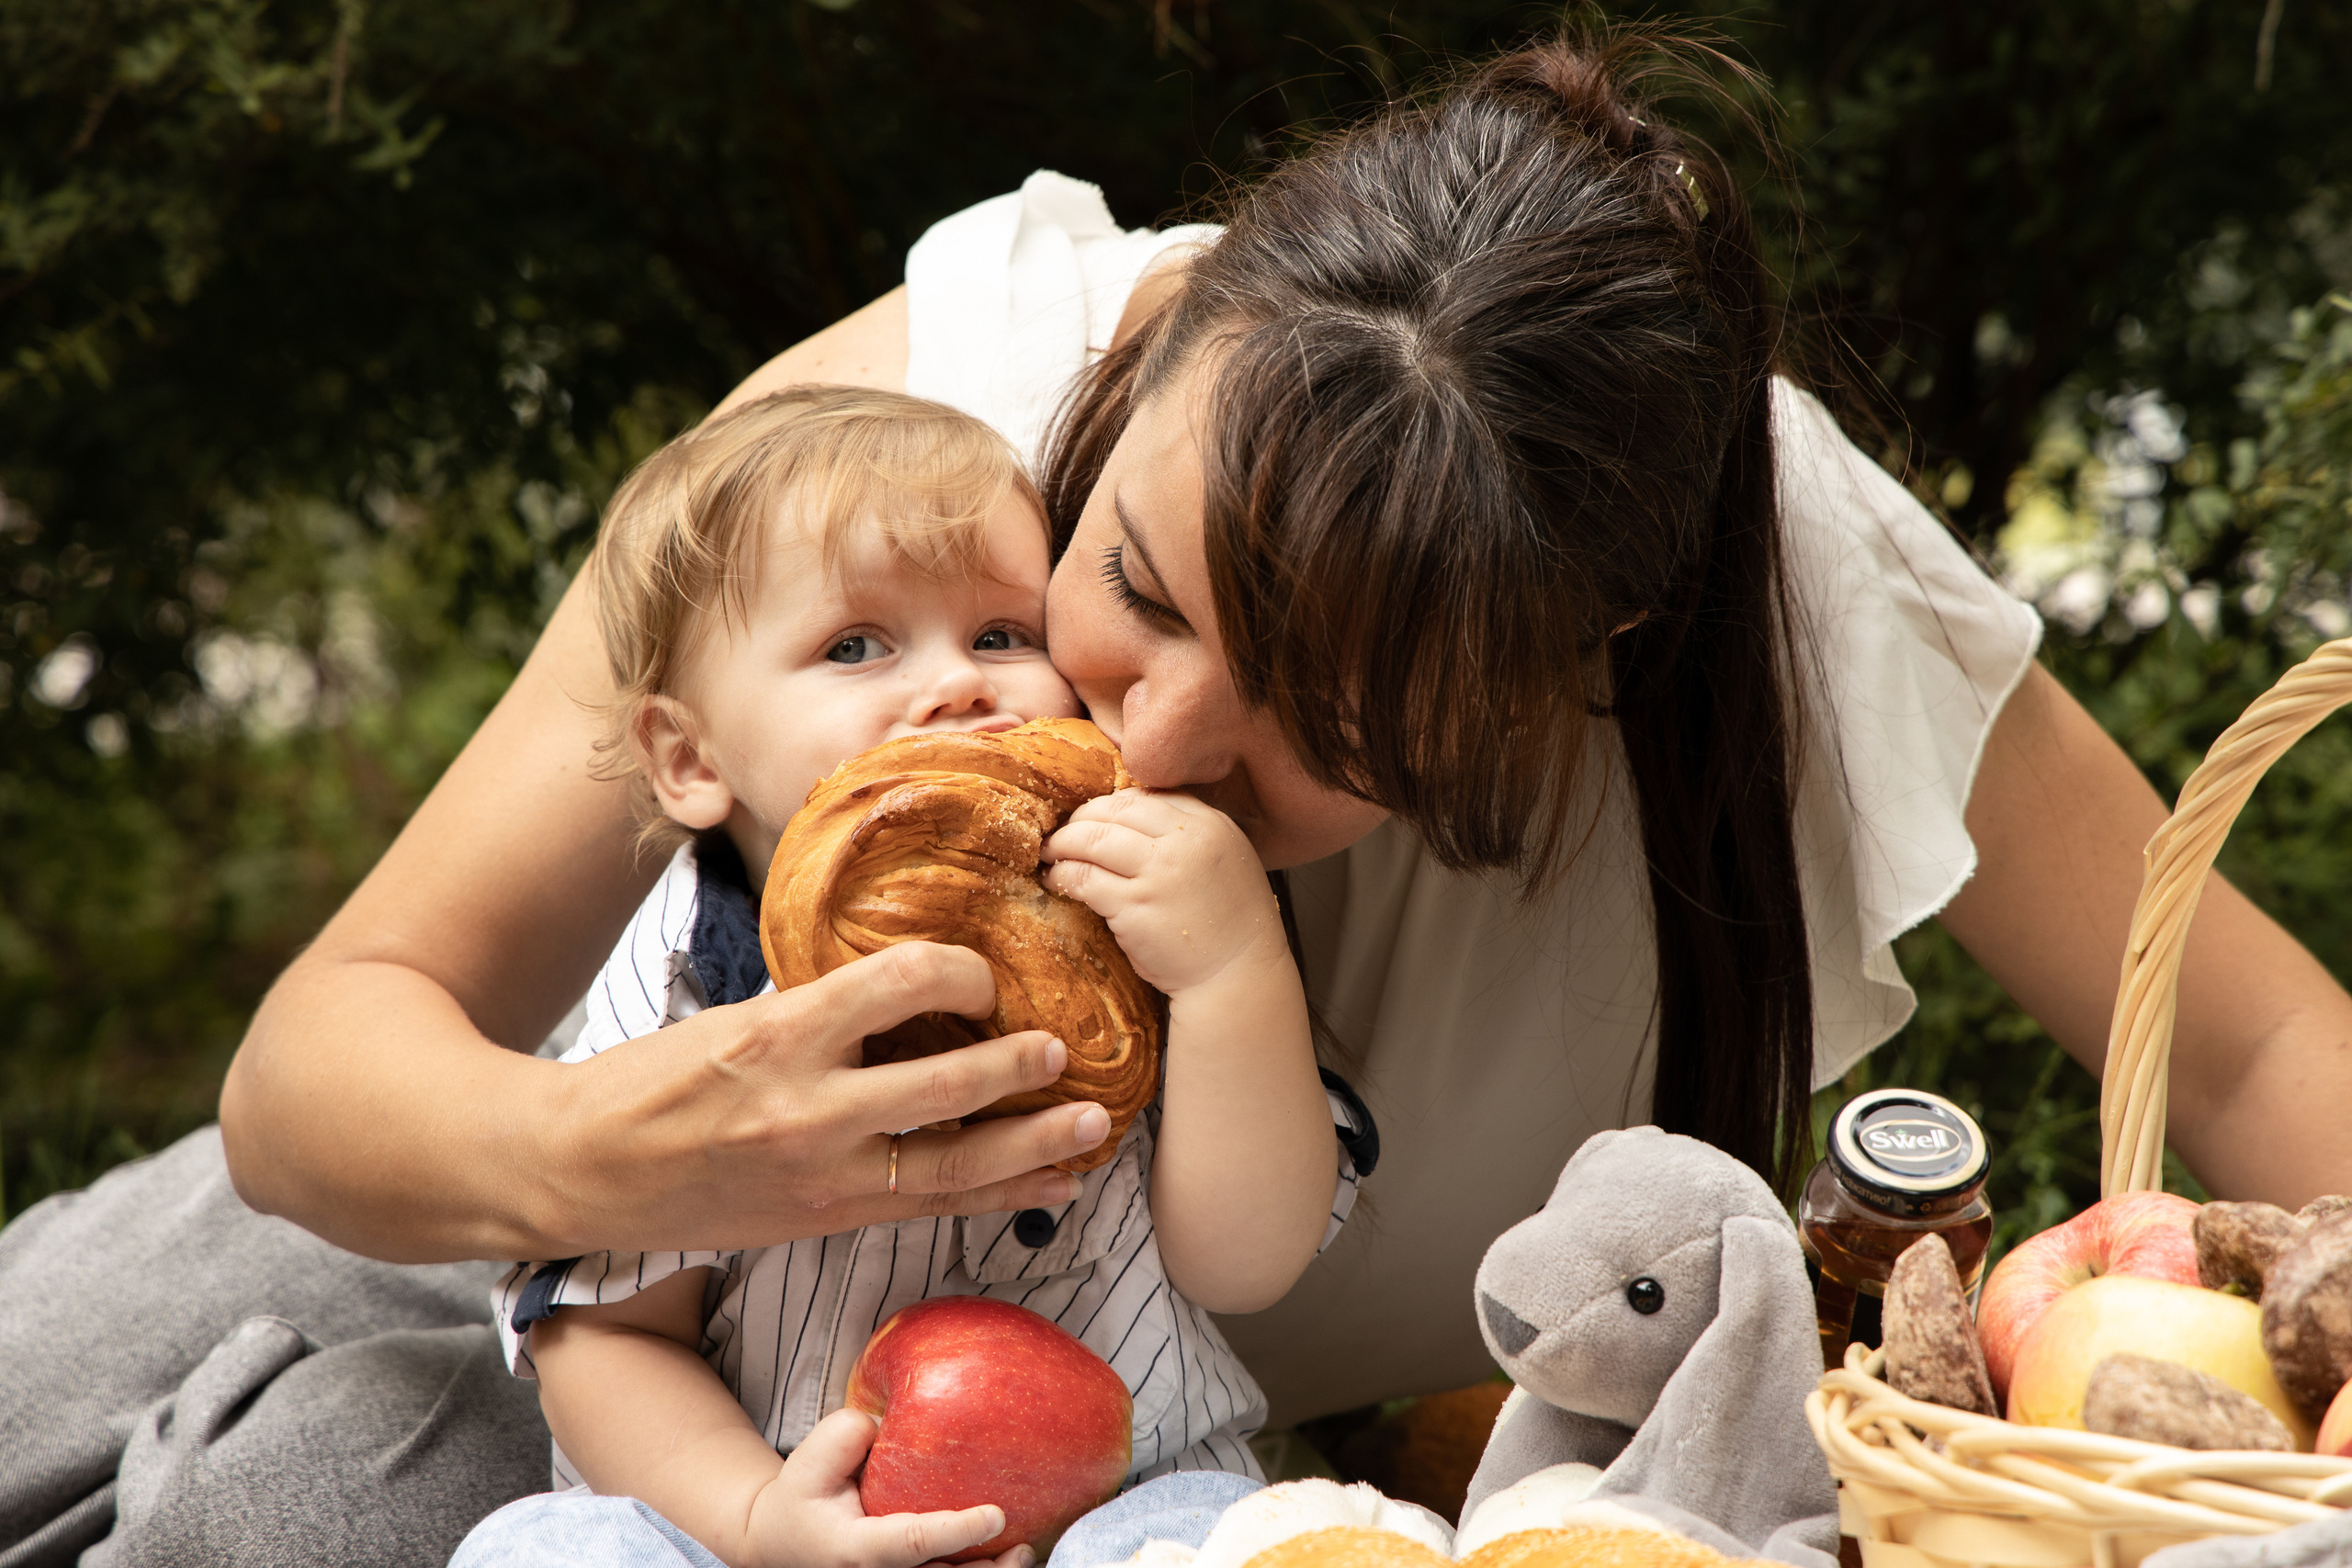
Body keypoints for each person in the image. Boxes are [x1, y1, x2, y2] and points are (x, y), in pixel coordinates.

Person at [6, 28, 2350, 1568]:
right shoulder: (912, 438)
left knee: (304, 1511)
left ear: (1565, 676)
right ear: (1146, 359)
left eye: (1320, 727)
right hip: (516, 1226)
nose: (1131, 742)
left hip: (1056, 1464)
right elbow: (332, 1064)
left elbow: (2248, 1044)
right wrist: (614, 1148)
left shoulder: (1772, 592)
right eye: (1124, 585)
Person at [446, 384, 1362, 1567]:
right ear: (688, 757)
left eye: (1001, 635)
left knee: (1218, 1543)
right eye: (855, 647)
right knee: (545, 1550)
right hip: (767, 1514)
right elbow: (607, 1335)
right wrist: (753, 1520)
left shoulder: (1149, 917)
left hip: (1119, 1493)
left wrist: (1234, 976)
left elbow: (1244, 1262)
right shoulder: (690, 988)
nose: (956, 687)